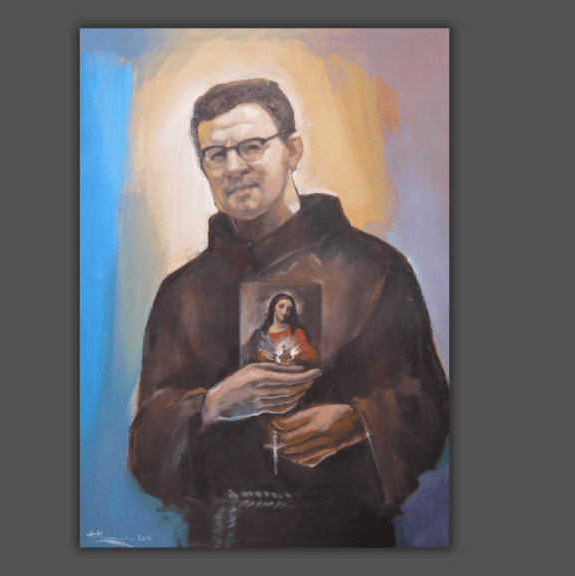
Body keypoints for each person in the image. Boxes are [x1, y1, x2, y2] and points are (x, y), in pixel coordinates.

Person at [127, 78, 449, 547]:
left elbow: (430, 410)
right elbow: (145, 451)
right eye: (215, 155)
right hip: (220, 540)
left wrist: (357, 423)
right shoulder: (182, 293)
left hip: (347, 538)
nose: (233, 168)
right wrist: (212, 406)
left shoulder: (375, 269)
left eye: (251, 147)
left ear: (292, 150)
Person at [245, 293, 318, 366]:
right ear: (273, 307)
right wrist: (261, 355)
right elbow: (250, 357)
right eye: (281, 307)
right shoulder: (259, 334)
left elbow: (311, 357)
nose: (284, 312)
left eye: (289, 309)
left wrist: (293, 356)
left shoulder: (298, 333)